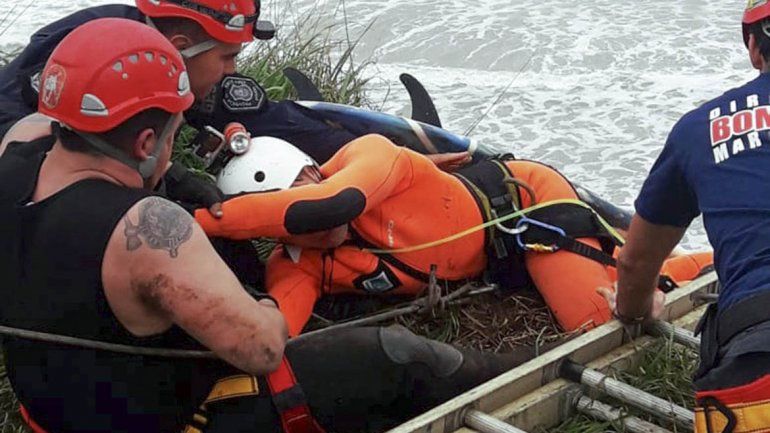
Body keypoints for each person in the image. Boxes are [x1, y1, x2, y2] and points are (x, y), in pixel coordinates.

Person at [0, 18, 548, 433]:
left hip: (49, 407)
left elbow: (40, 132)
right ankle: (521, 371)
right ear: (146, 143)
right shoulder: (147, 228)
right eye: (170, 135)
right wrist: (260, 299)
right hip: (169, 418)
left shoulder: (14, 156)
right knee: (394, 355)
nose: (171, 150)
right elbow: (261, 349)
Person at [196, 136, 713, 337]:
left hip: (526, 205)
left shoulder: (370, 157)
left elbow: (332, 204)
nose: (318, 230)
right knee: (610, 274)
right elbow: (275, 329)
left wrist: (197, 220)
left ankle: (712, 261)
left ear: (315, 171)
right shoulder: (299, 263)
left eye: (303, 194)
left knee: (600, 318)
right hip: (497, 256)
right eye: (300, 231)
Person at [605, 2, 770, 432]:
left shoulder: (700, 129)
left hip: (755, 371)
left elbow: (635, 262)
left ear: (754, 48)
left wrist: (636, 310)